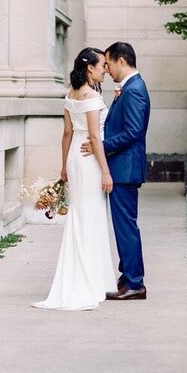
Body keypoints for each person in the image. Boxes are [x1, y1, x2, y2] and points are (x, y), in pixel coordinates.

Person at [33, 47, 119, 310]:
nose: (106, 69)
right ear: (90, 68)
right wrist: (105, 171)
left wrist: (63, 166)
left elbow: (67, 133)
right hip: (90, 160)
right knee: (90, 216)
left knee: (80, 217)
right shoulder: (91, 96)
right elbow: (95, 137)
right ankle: (88, 280)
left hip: (74, 158)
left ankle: (84, 276)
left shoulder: (70, 95)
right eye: (103, 65)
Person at [81, 41, 150, 300]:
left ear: (122, 61)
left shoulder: (134, 90)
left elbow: (134, 131)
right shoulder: (129, 87)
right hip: (122, 167)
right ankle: (127, 278)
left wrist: (101, 146)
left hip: (124, 169)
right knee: (124, 226)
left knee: (126, 227)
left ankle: (135, 283)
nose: (107, 69)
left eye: (109, 63)